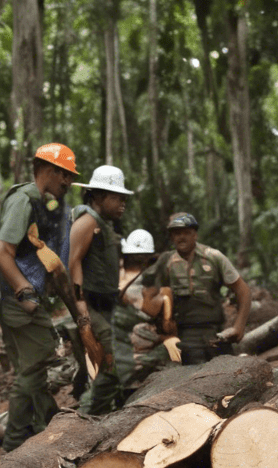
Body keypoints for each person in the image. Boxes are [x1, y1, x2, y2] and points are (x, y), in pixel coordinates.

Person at [0, 143, 103, 452]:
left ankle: (44, 426)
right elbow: (2, 250)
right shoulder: (24, 200)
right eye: (66, 175)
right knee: (37, 359)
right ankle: (13, 442)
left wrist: (79, 316)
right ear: (50, 171)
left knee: (32, 366)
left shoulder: (46, 207)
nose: (69, 183)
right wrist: (21, 289)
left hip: (25, 297)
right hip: (18, 299)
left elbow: (54, 267)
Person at [145, 212, 251, 365]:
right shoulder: (166, 262)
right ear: (172, 237)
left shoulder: (214, 257)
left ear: (195, 234)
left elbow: (244, 291)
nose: (182, 237)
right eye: (177, 233)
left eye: (186, 232)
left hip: (215, 331)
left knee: (226, 374)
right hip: (185, 334)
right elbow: (148, 295)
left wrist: (238, 327)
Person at [65, 165, 130, 414]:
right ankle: (86, 420)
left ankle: (102, 416)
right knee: (110, 367)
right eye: (117, 198)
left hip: (106, 306)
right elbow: (72, 263)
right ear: (98, 196)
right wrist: (82, 311)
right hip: (90, 305)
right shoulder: (87, 221)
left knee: (114, 367)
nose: (122, 203)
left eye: (124, 198)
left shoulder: (105, 225)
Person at [113, 229, 179, 396]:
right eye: (135, 258)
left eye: (142, 257)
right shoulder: (117, 283)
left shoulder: (161, 287)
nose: (138, 261)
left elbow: (169, 327)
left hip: (147, 354)